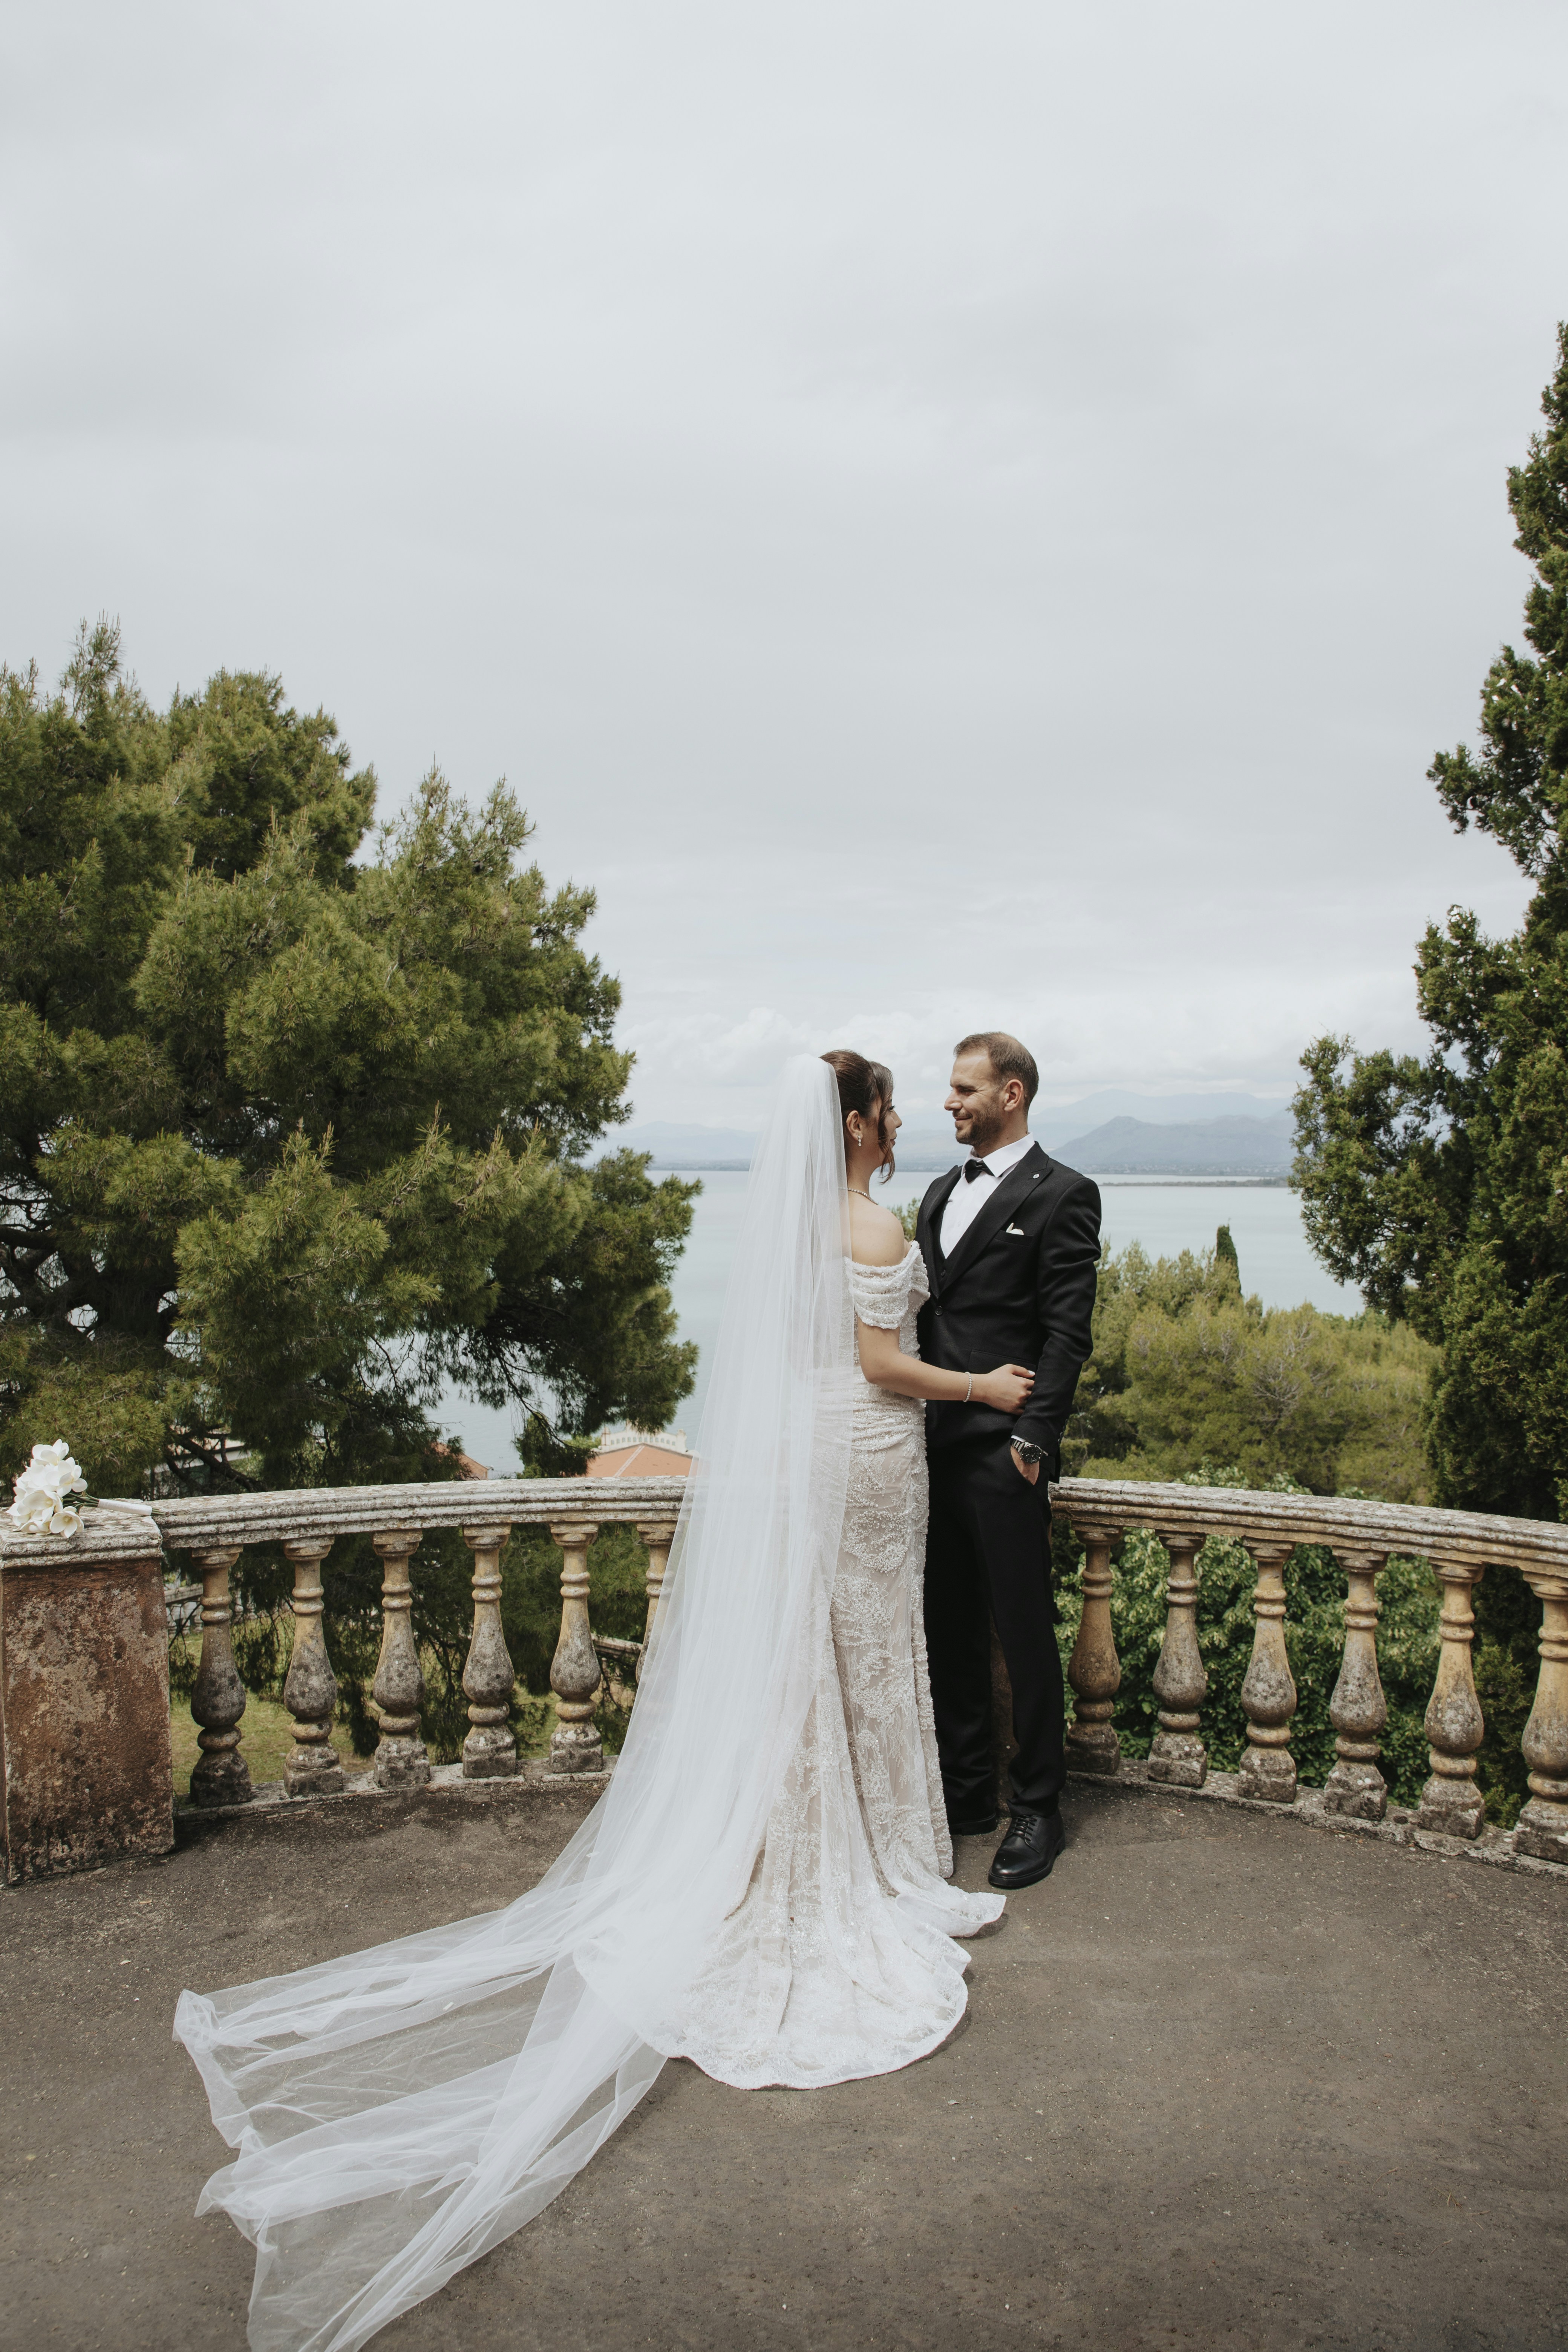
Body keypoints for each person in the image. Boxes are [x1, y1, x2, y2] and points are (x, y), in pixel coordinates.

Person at [174, 1054, 1012, 2352]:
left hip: (816, 1456)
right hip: (873, 1452)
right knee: (867, 1647)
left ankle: (821, 1844)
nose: (901, 1123)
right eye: (889, 1107)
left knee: (826, 1656)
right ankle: (879, 1860)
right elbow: (884, 1367)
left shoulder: (795, 1228)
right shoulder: (874, 1224)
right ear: (854, 1125)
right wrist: (986, 1391)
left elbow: (811, 1363)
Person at [914, 1031, 1101, 1892]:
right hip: (928, 1448)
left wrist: (1036, 1439)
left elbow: (1068, 1332)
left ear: (1012, 1094)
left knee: (1022, 1630)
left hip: (1006, 1452)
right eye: (949, 1090)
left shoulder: (1064, 1194)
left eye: (964, 1089)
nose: (949, 1102)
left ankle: (1039, 1806)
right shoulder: (934, 1192)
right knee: (946, 1626)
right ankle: (965, 1796)